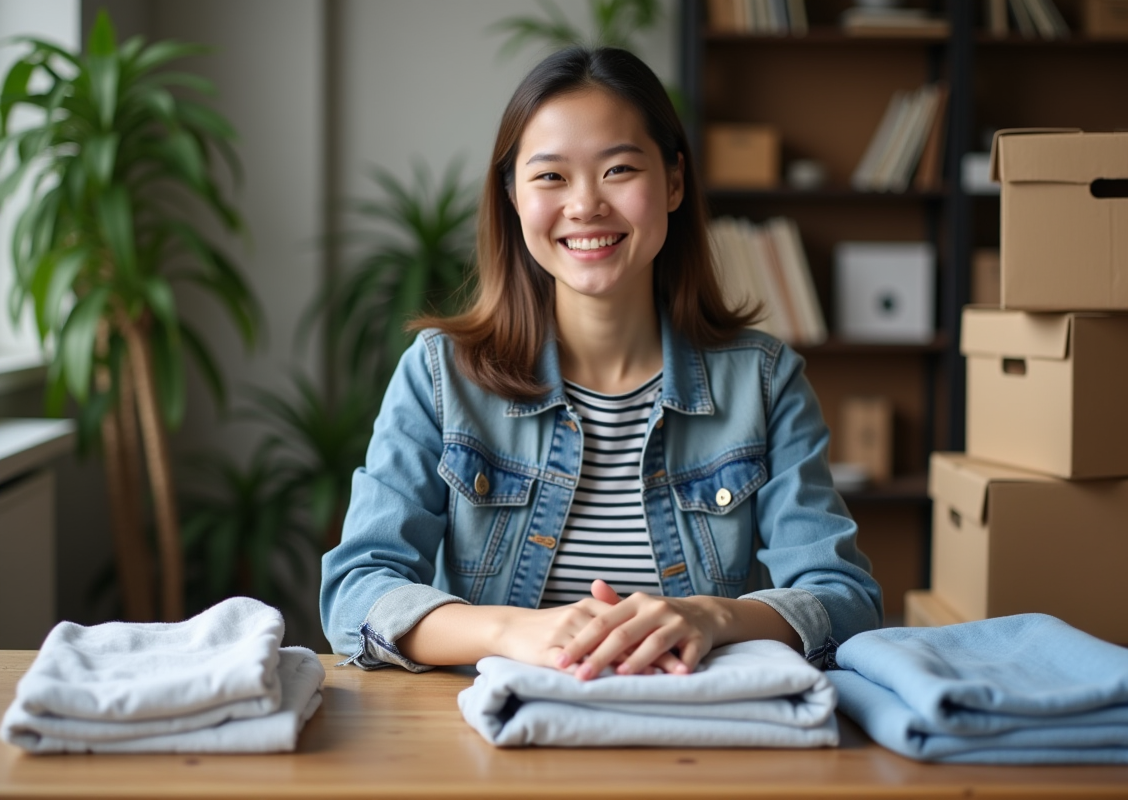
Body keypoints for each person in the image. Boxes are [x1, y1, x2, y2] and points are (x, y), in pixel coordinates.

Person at [320, 46, 882, 680]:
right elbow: (357, 592)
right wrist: (513, 629)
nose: (585, 205)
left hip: (703, 738)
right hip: (496, 741)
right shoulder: (440, 376)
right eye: (551, 176)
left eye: (618, 170)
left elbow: (845, 599)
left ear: (673, 182)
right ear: (511, 197)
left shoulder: (764, 382)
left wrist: (711, 616)